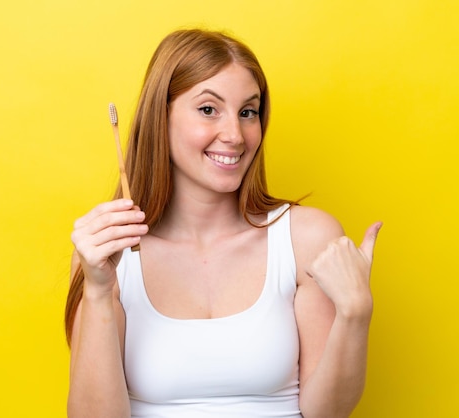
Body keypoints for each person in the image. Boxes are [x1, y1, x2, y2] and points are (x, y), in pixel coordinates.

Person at [65, 28, 382, 418]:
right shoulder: (107, 250)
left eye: (247, 112)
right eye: (208, 109)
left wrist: (355, 313)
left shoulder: (305, 239)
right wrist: (98, 293)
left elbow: (328, 412)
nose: (235, 135)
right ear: (159, 118)